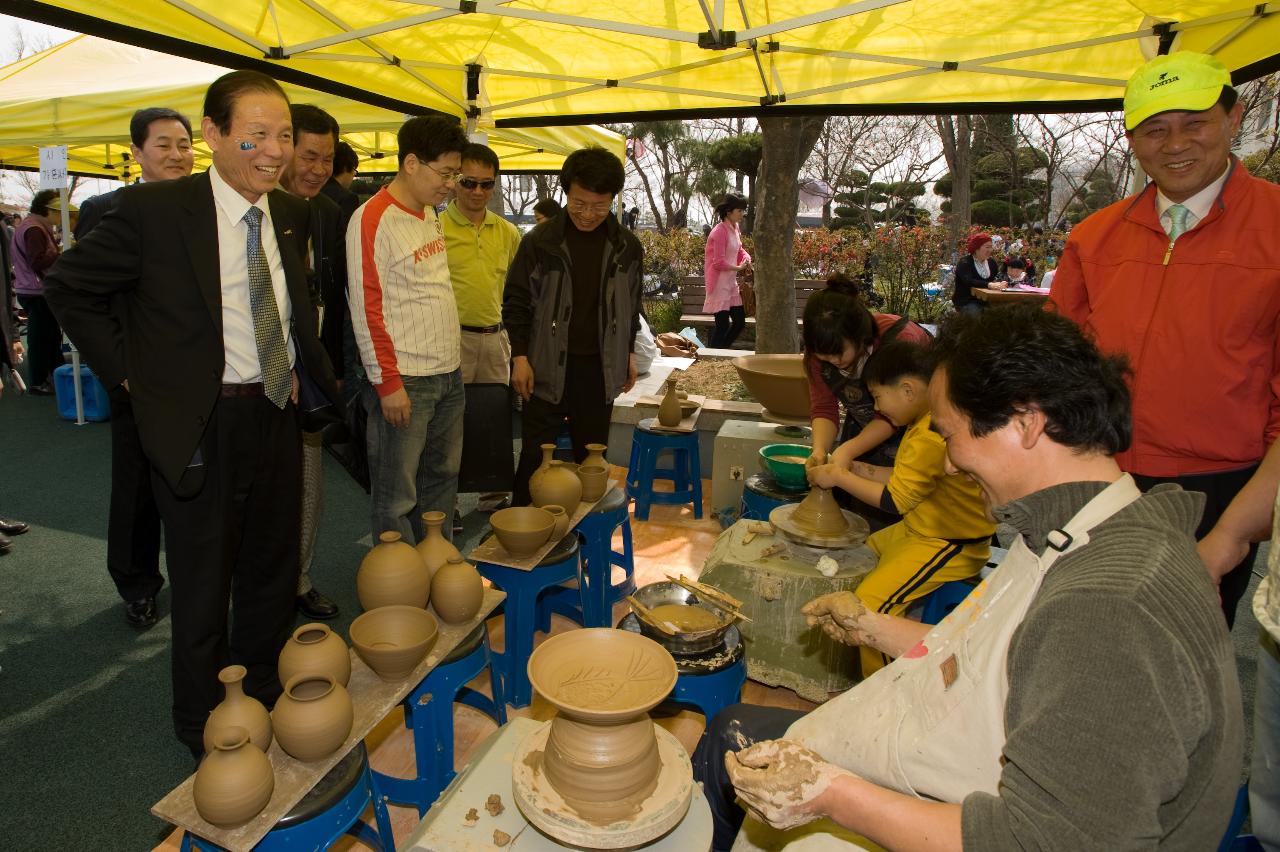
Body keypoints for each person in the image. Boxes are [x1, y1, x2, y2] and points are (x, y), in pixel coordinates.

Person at [693, 305, 1242, 852]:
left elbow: (1042, 841)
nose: (950, 465)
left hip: (1003, 827)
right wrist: (871, 626)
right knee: (731, 733)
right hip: (986, 776)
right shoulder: (1074, 526)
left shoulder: (1111, 607)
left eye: (952, 436)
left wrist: (832, 793)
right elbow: (995, 656)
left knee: (732, 744)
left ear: (1025, 424)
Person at [45, 70, 342, 757]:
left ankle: (262, 692)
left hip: (274, 411)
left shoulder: (292, 213)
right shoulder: (154, 212)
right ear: (212, 134)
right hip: (199, 422)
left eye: (285, 136)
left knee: (272, 566)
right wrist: (133, 377)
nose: (275, 151)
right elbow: (70, 287)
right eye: (257, 134)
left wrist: (298, 366)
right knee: (205, 581)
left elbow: (287, 303)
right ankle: (204, 722)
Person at [1050, 50, 1280, 628]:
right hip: (1100, 472)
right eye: (1155, 129)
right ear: (1132, 139)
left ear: (1234, 118)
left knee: (1181, 652)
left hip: (1217, 487)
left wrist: (1231, 533)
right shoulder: (1094, 237)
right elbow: (1055, 363)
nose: (1175, 143)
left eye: (1195, 122)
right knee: (1080, 636)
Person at [73, 107, 195, 629]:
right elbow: (78, 292)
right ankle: (137, 584)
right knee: (138, 488)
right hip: (139, 379)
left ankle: (204, 581)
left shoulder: (210, 205)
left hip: (204, 373)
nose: (177, 154)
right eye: (163, 144)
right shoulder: (105, 209)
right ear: (137, 153)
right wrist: (117, 368)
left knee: (200, 488)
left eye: (185, 144)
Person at [807, 340, 993, 677]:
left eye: (878, 397)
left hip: (950, 544)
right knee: (854, 557)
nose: (877, 409)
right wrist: (855, 469)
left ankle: (884, 689)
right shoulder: (921, 424)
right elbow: (908, 480)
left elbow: (896, 500)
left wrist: (837, 476)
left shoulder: (928, 433)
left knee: (868, 607)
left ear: (907, 390)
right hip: (920, 529)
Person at [347, 115, 469, 544]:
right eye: (446, 173)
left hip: (447, 374)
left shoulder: (429, 213)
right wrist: (387, 384)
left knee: (442, 478)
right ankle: (396, 589)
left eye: (456, 174)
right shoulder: (372, 218)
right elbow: (366, 308)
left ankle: (434, 562)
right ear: (412, 162)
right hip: (406, 381)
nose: (451, 184)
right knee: (396, 493)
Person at [504, 147, 642, 506]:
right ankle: (521, 527)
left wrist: (627, 353)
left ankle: (582, 543)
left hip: (599, 367)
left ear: (613, 199)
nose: (588, 214)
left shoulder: (627, 246)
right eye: (579, 203)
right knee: (536, 457)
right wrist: (519, 356)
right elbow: (517, 302)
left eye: (599, 205)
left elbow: (631, 308)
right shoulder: (541, 242)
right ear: (566, 192)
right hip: (545, 364)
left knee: (591, 460)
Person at [279, 102, 346, 620]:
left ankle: (297, 578)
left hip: (311, 375)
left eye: (326, 158)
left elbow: (337, 297)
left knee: (308, 487)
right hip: (247, 380)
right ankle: (255, 590)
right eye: (308, 155)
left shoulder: (326, 213)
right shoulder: (247, 209)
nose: (317, 169)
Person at [802, 274, 930, 527]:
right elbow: (824, 408)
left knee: (902, 511)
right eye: (823, 356)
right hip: (866, 424)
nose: (833, 361)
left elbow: (892, 414)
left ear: (860, 336)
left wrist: (847, 450)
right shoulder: (820, 355)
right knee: (854, 504)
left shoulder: (900, 342)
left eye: (838, 353)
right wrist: (820, 451)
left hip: (915, 429)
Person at [441, 142, 522, 515]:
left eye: (486, 184)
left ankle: (494, 494)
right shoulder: (434, 228)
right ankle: (448, 501)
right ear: (455, 181)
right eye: (469, 182)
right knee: (449, 422)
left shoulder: (508, 233)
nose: (477, 192)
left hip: (495, 338)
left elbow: (519, 295)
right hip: (449, 339)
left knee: (494, 421)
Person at [11, 189, 67, 396]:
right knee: (41, 337)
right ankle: (38, 380)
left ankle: (55, 374)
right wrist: (61, 253)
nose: (62, 216)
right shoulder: (34, 229)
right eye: (59, 211)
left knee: (48, 335)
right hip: (36, 290)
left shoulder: (30, 226)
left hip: (32, 289)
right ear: (49, 210)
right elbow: (37, 261)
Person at [703, 194, 752, 349]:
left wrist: (746, 258)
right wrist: (738, 268)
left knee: (739, 322)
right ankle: (713, 356)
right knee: (722, 325)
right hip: (718, 284)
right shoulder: (719, 232)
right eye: (740, 210)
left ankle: (720, 351)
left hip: (730, 284)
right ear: (729, 211)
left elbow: (739, 249)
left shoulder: (735, 229)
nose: (742, 213)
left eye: (743, 210)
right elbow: (718, 263)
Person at [950, 232, 997, 314]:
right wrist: (988, 284)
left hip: (987, 300)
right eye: (987, 247)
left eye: (991, 247)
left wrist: (1001, 283)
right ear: (976, 248)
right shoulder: (965, 262)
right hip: (967, 301)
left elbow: (996, 278)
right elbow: (969, 281)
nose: (990, 250)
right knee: (975, 313)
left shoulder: (992, 263)